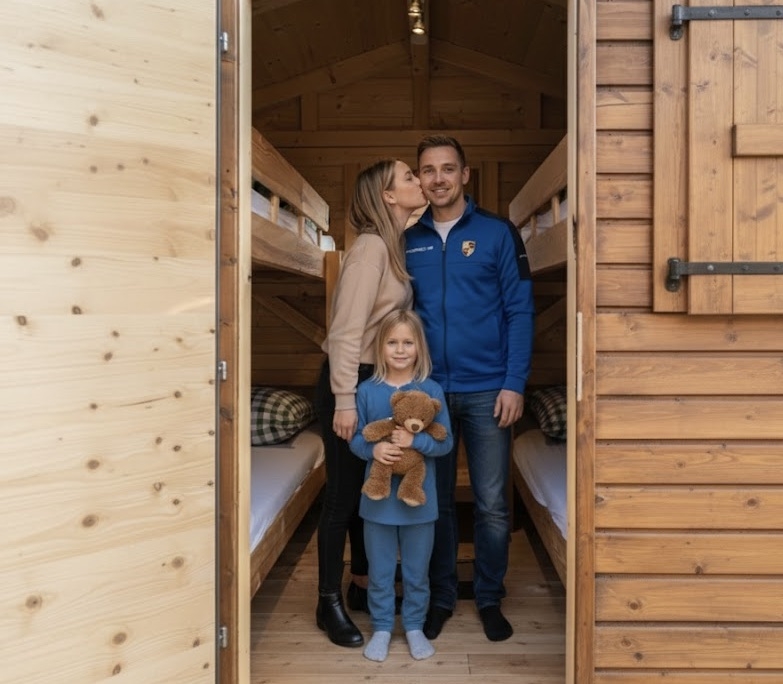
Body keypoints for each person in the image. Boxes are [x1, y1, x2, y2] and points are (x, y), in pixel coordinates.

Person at [404, 135, 535, 642]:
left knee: (492, 504)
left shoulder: (498, 233)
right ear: (420, 179)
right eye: (427, 170)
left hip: (488, 391)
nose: (437, 178)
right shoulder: (407, 239)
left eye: (447, 168)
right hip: (429, 393)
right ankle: (441, 598)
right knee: (433, 502)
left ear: (465, 174)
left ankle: (488, 597)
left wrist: (513, 383)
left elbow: (519, 311)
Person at [315, 158, 428, 648]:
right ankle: (327, 602)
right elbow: (344, 332)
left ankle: (361, 585)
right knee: (342, 497)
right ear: (386, 196)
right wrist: (344, 400)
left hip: (372, 382)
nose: (418, 181)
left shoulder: (391, 243)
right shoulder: (369, 248)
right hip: (350, 381)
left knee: (366, 491)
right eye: (408, 177)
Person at [349, 309, 453, 662]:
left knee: (416, 572)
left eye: (408, 342)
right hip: (377, 503)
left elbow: (445, 443)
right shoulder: (367, 391)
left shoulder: (431, 390)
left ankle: (413, 626)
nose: (400, 350)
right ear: (380, 347)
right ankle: (381, 626)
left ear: (419, 347)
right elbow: (357, 440)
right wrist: (373, 450)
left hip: (420, 503)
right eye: (392, 342)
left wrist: (415, 442)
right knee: (379, 572)